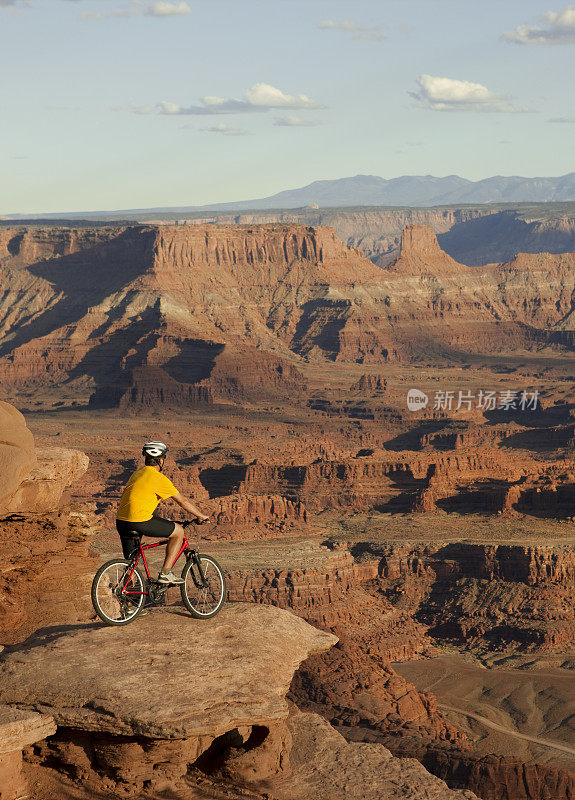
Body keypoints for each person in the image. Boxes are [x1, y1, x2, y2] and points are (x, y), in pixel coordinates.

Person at [116, 441, 209, 585]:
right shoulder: (159, 479)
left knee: (131, 562)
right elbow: (182, 501)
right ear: (161, 460)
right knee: (178, 532)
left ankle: (128, 603)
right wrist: (200, 516)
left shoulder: (137, 473)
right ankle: (166, 573)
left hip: (122, 521)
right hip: (139, 520)